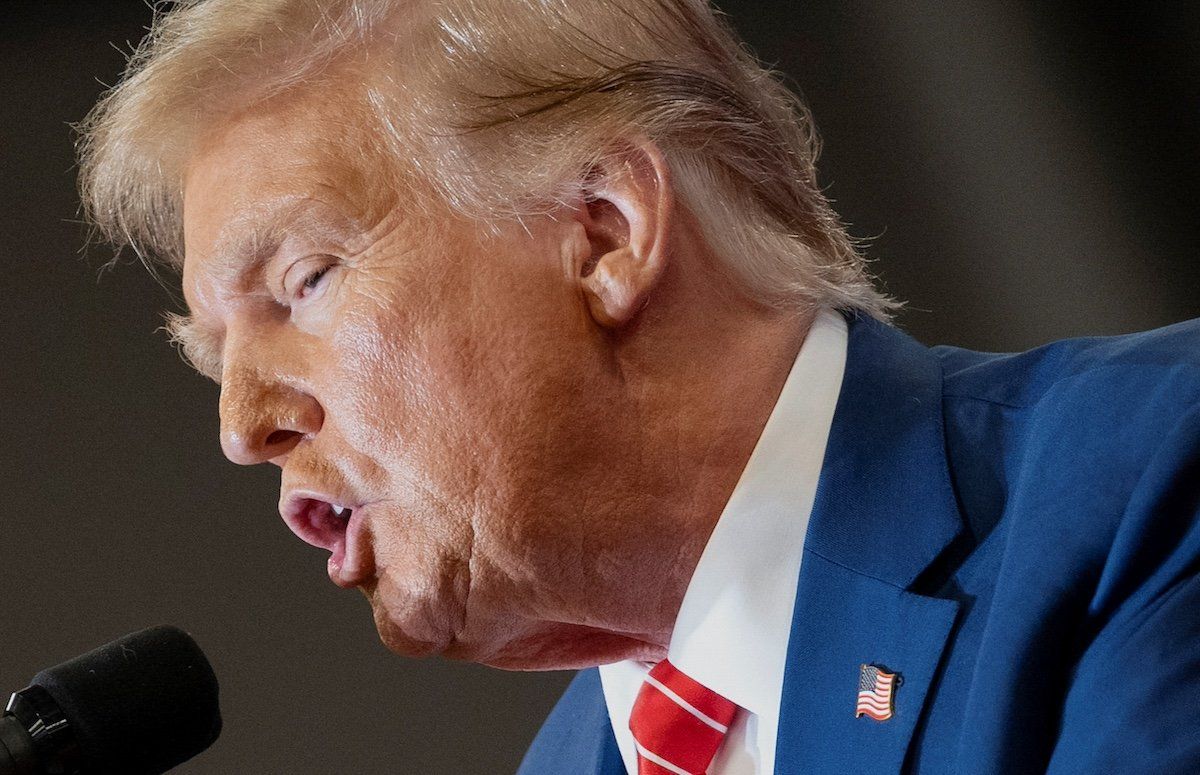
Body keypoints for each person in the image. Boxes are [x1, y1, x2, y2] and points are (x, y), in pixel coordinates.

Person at [77, 1, 1200, 772]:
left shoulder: (1147, 482)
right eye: (219, 361)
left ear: (605, 233)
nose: (240, 428)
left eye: (305, 281)